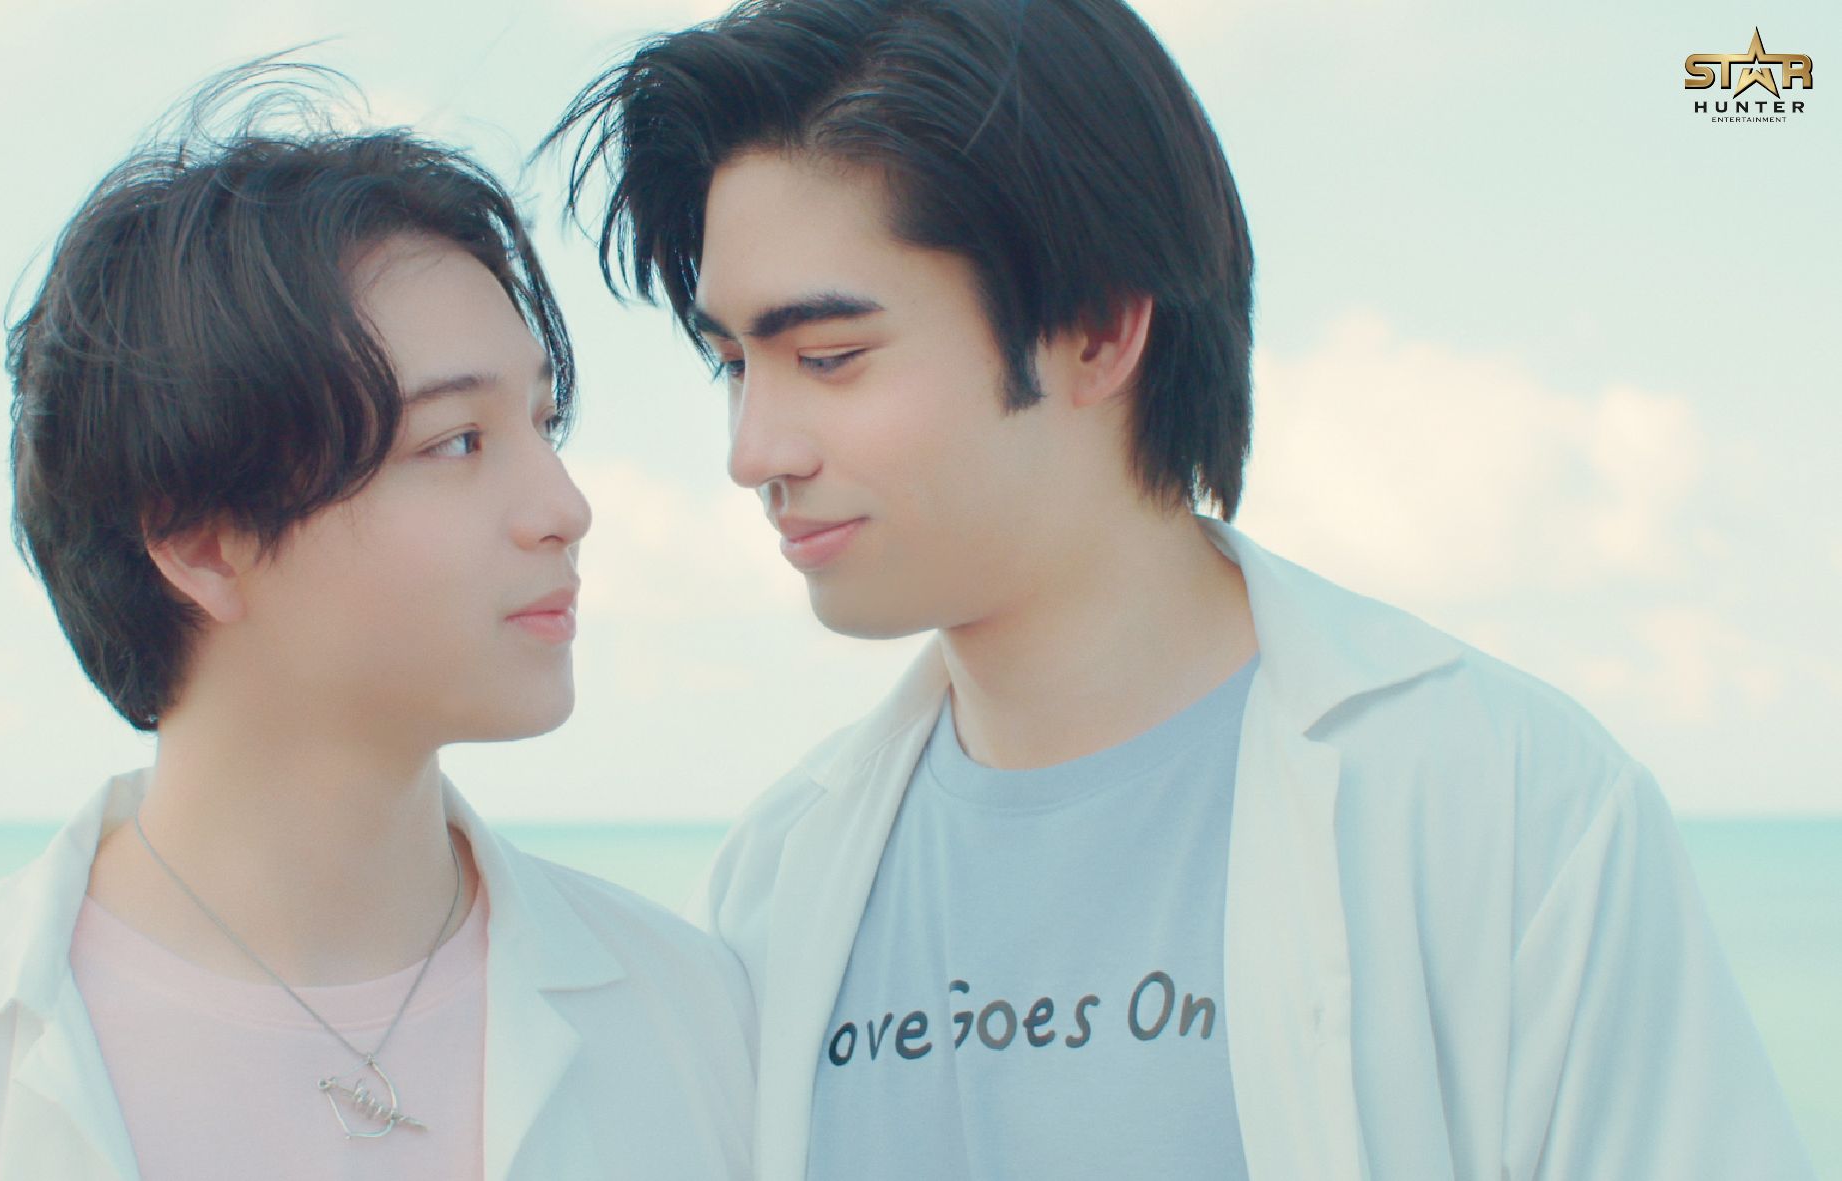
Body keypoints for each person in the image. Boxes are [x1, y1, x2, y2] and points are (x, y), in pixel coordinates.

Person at [540, 1, 1812, 1177]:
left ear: (1097, 328)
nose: (754, 449)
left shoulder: (1508, 805)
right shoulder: (774, 878)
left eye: (829, 355)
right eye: (732, 364)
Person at [0, 64, 753, 1180]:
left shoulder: (696, 1018)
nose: (564, 508)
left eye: (544, 421)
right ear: (199, 539)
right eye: (456, 442)